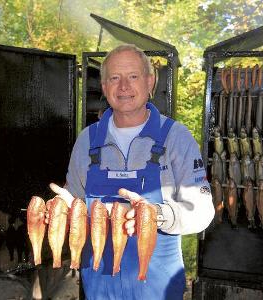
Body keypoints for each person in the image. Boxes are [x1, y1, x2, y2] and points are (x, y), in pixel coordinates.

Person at [49, 44, 214, 300]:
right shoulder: (87, 140)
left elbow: (203, 213)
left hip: (157, 286)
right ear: (104, 87)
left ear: (150, 82)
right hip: (99, 285)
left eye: (133, 76)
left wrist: (156, 215)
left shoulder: (175, 138)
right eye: (114, 78)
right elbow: (75, 198)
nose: (123, 86)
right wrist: (64, 209)